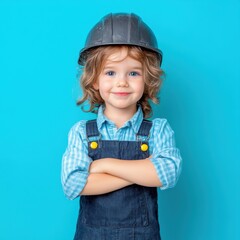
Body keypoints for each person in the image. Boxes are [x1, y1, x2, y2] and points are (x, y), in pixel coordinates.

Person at [61, 13, 182, 240]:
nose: (122, 82)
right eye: (110, 72)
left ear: (147, 79)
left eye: (134, 73)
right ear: (95, 80)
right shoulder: (81, 132)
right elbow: (73, 184)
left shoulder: (158, 130)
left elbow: (167, 173)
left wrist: (104, 165)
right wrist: (143, 170)